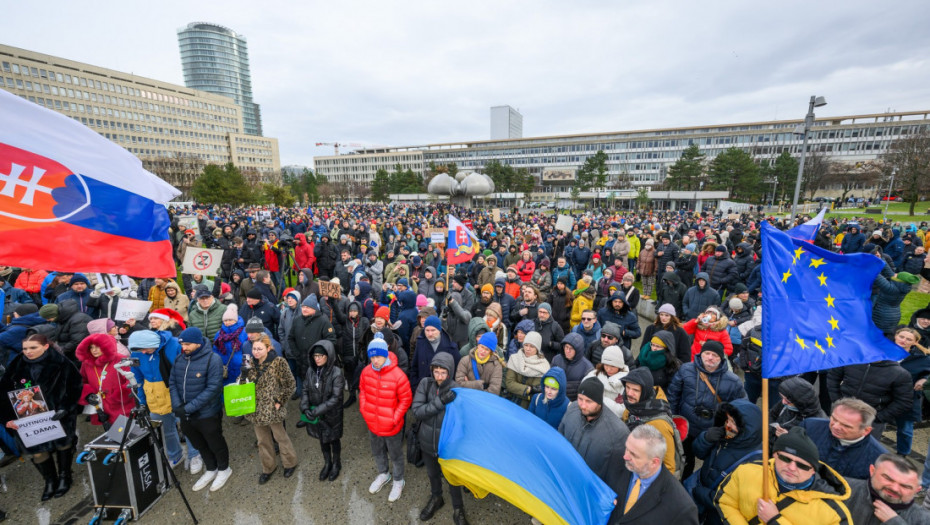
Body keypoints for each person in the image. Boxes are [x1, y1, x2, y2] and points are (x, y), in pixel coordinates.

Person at [0, 334, 81, 501]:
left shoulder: (61, 362)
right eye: (25, 348)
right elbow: (3, 393)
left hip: (59, 415)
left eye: (33, 348)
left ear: (45, 347)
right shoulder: (16, 366)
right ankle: (50, 480)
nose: (28, 352)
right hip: (29, 419)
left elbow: (75, 385)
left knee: (63, 445)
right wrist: (8, 418)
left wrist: (66, 407)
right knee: (37, 451)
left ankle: (65, 476)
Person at [715, 426, 853, 524]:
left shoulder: (835, 514)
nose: (792, 468)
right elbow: (725, 501)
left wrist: (774, 520)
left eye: (802, 465)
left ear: (813, 470)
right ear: (775, 454)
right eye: (786, 459)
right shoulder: (747, 471)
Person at [667, 340, 746, 479]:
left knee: (709, 465)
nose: (710, 357)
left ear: (721, 358)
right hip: (687, 427)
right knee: (685, 459)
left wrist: (727, 431)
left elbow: (741, 409)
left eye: (715, 355)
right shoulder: (686, 369)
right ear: (701, 354)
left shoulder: (733, 381)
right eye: (707, 353)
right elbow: (673, 395)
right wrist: (673, 419)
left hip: (711, 432)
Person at [170, 327, 232, 492]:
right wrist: (178, 406)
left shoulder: (213, 359)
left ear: (198, 343)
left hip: (207, 413)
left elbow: (213, 388)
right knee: (199, 443)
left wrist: (189, 407)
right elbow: (173, 384)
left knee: (215, 441)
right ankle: (211, 468)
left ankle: (224, 468)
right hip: (186, 414)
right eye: (183, 344)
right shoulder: (179, 360)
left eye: (188, 344)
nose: (184, 348)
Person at [128, 330, 198, 471]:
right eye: (139, 350)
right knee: (165, 430)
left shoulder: (175, 345)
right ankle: (175, 455)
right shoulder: (137, 353)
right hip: (154, 396)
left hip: (176, 391)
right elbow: (138, 378)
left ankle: (195, 454)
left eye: (144, 348)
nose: (142, 352)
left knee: (187, 426)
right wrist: (142, 401)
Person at [412, 353, 469, 525]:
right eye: (436, 372)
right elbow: (417, 411)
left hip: (448, 445)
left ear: (450, 372)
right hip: (428, 442)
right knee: (433, 474)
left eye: (443, 373)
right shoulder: (425, 384)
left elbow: (462, 420)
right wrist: (440, 402)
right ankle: (437, 498)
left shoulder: (456, 390)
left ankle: (458, 509)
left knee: (452, 479)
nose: (439, 377)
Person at [607, 425, 699, 524]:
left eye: (634, 455)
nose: (625, 456)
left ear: (654, 462)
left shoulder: (682, 507)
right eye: (627, 448)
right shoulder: (615, 461)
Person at [359, 333, 412, 503]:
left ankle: (398, 480)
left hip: (391, 426)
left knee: (396, 455)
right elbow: (363, 392)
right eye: (372, 357)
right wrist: (364, 411)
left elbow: (406, 399)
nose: (375, 360)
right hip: (373, 424)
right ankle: (383, 474)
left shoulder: (398, 375)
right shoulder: (366, 372)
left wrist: (394, 418)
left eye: (379, 356)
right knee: (377, 451)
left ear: (386, 354)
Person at [690, 399, 762, 524]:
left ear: (746, 429)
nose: (727, 424)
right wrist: (705, 439)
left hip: (718, 513)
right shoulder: (725, 436)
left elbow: (736, 502)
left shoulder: (755, 461)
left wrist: (703, 495)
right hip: (703, 499)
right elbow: (699, 453)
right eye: (727, 419)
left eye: (733, 422)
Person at [239, 334, 298, 484]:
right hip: (256, 409)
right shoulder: (249, 363)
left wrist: (280, 401)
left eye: (260, 349)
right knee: (262, 440)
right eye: (254, 349)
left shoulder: (279, 362)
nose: (256, 352)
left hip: (272, 408)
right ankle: (268, 468)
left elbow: (290, 384)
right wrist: (243, 375)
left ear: (268, 348)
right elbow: (242, 387)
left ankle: (290, 463)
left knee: (280, 437)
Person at [558, 376, 629, 484]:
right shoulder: (573, 408)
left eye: (588, 401)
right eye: (580, 399)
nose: (583, 405)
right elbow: (560, 438)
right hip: (563, 478)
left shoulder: (618, 433)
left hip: (589, 489)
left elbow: (618, 476)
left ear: (599, 401)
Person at [799, 398, 887, 480]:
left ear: (866, 430)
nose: (835, 426)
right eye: (834, 419)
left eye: (846, 426)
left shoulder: (878, 459)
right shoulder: (810, 426)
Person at [827, 356, 912, 437]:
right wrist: (837, 402)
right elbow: (832, 378)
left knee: (863, 450)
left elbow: (903, 401)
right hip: (842, 413)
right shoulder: (850, 360)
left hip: (871, 421)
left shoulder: (899, 373)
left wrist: (879, 417)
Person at [620, 367, 681, 477]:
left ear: (645, 392)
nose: (629, 393)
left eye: (635, 390)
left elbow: (668, 466)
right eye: (627, 387)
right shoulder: (634, 406)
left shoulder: (659, 425)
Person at [299, 339, 345, 482]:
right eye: (315, 356)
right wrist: (304, 406)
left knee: (334, 438)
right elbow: (305, 389)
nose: (317, 359)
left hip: (332, 414)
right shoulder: (311, 371)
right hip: (316, 414)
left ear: (329, 355)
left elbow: (336, 397)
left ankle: (337, 463)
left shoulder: (337, 373)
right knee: (322, 439)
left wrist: (317, 410)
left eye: (320, 356)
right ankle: (327, 463)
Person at [847, 454, 930, 525]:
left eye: (905, 486)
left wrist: (894, 522)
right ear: (872, 471)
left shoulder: (924, 519)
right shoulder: (840, 490)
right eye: (888, 479)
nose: (894, 488)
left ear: (917, 490)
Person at [75, 333, 135, 426]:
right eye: (91, 347)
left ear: (105, 346)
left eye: (97, 347)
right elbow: (81, 382)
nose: (94, 350)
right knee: (110, 436)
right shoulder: (86, 363)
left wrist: (119, 395)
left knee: (126, 434)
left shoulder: (120, 359)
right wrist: (88, 394)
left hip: (120, 405)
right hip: (100, 408)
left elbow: (131, 380)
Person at [504, 331, 550, 408]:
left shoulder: (543, 366)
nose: (528, 349)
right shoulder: (514, 359)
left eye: (532, 346)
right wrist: (527, 389)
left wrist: (519, 390)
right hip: (509, 401)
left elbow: (535, 394)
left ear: (537, 349)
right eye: (526, 345)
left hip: (528, 407)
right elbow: (509, 384)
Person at [582, 345, 629, 418]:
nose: (608, 369)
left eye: (613, 366)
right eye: (606, 365)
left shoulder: (626, 383)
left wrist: (598, 398)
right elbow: (583, 390)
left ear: (620, 366)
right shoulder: (594, 374)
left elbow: (622, 412)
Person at [551, 333, 594, 401]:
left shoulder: (587, 368)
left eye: (571, 348)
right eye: (566, 347)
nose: (567, 351)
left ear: (578, 350)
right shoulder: (556, 359)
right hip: (554, 399)